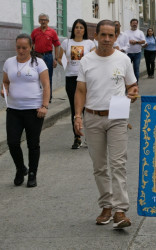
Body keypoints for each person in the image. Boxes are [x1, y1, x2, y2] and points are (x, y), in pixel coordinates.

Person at [74, 20, 139, 229]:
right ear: (96, 36)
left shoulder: (124, 60)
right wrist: (77, 116)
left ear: (116, 37)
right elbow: (81, 90)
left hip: (118, 117)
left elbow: (132, 86)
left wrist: (133, 94)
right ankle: (106, 206)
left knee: (118, 164)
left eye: (111, 36)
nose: (107, 39)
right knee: (99, 166)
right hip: (93, 117)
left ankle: (120, 210)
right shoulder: (86, 60)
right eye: (103, 35)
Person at [1, 34, 50, 187]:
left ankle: (32, 173)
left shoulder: (38, 63)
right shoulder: (9, 63)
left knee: (33, 144)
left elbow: (46, 85)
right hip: (14, 110)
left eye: (24, 48)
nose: (21, 51)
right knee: (12, 142)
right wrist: (4, 90)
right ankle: (21, 168)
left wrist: (44, 106)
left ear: (31, 48)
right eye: (18, 47)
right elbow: (5, 81)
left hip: (34, 110)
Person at [58, 19, 95, 149]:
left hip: (86, 78)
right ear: (73, 29)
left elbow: (94, 59)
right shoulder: (66, 43)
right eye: (76, 27)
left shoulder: (90, 43)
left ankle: (89, 137)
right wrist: (63, 62)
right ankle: (77, 137)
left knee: (87, 107)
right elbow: (59, 57)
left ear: (85, 30)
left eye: (81, 27)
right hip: (71, 78)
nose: (78, 29)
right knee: (75, 108)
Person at [31, 13, 60, 103]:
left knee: (48, 77)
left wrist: (56, 59)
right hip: (37, 56)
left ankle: (48, 97)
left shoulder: (52, 32)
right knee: (36, 76)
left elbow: (57, 45)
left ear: (48, 21)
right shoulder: (35, 32)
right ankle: (38, 95)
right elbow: (31, 43)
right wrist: (31, 54)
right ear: (39, 21)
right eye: (41, 20)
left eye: (45, 20)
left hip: (48, 56)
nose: (43, 21)